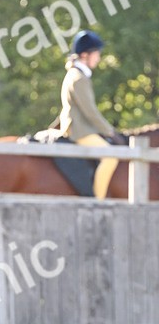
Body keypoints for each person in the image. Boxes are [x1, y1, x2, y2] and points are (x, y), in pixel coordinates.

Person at [58, 30, 120, 198]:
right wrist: (110, 132)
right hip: (79, 130)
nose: (99, 58)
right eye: (96, 54)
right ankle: (97, 201)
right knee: (111, 157)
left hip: (82, 127)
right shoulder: (78, 78)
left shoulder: (79, 75)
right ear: (85, 55)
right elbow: (90, 112)